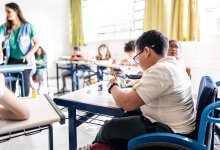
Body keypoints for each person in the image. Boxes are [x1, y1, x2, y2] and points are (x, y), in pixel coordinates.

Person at [82, 30, 196, 150]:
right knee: (124, 118)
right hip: (178, 128)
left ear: (146, 51)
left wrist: (112, 85)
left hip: (170, 133)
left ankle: (93, 147)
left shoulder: (160, 70)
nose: (138, 61)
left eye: (137, 57)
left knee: (109, 127)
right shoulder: (174, 65)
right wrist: (136, 82)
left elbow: (127, 103)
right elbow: (160, 86)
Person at [0, 2, 39, 96]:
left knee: (24, 85)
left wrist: (28, 55)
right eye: (6, 12)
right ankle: (11, 107)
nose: (7, 14)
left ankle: (25, 105)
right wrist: (0, 52)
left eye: (9, 11)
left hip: (25, 60)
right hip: (11, 60)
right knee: (9, 86)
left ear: (16, 11)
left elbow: (37, 43)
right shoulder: (4, 27)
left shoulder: (28, 27)